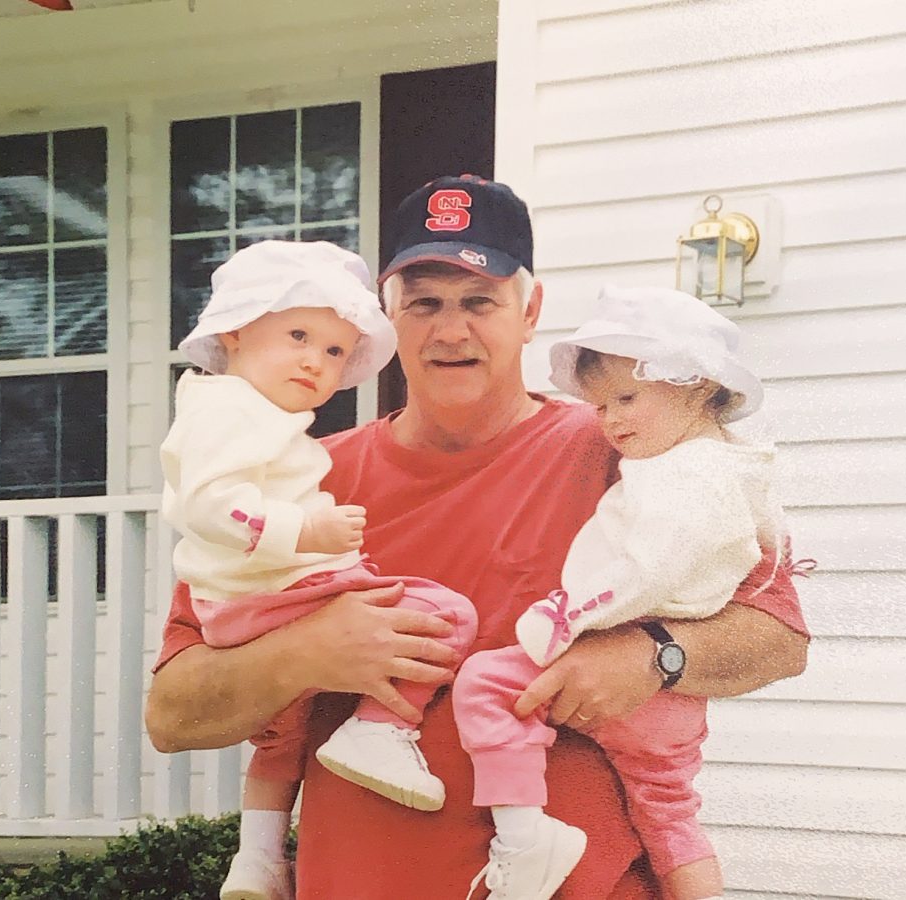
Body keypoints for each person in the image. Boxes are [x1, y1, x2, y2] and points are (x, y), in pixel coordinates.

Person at [145, 175, 810, 899]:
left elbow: (778, 638)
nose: (450, 330)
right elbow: (174, 714)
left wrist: (655, 656)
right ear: (388, 317)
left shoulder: (633, 450)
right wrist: (307, 652)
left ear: (531, 312)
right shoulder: (299, 479)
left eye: (479, 301)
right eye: (424, 302)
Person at [160, 239, 478, 900]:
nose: (315, 359)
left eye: (334, 351)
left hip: (242, 603)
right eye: (298, 335)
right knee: (442, 613)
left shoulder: (252, 416)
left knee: (283, 733)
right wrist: (304, 528)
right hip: (277, 591)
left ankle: (257, 860)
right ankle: (379, 731)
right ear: (236, 333)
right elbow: (209, 504)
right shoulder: (229, 410)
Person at [454, 285, 790, 900]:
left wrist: (569, 616)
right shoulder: (727, 466)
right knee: (670, 818)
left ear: (695, 386)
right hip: (676, 709)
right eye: (601, 405)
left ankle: (526, 839)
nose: (609, 421)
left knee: (485, 685)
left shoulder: (683, 476)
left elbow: (647, 570)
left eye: (627, 398)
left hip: (633, 663)